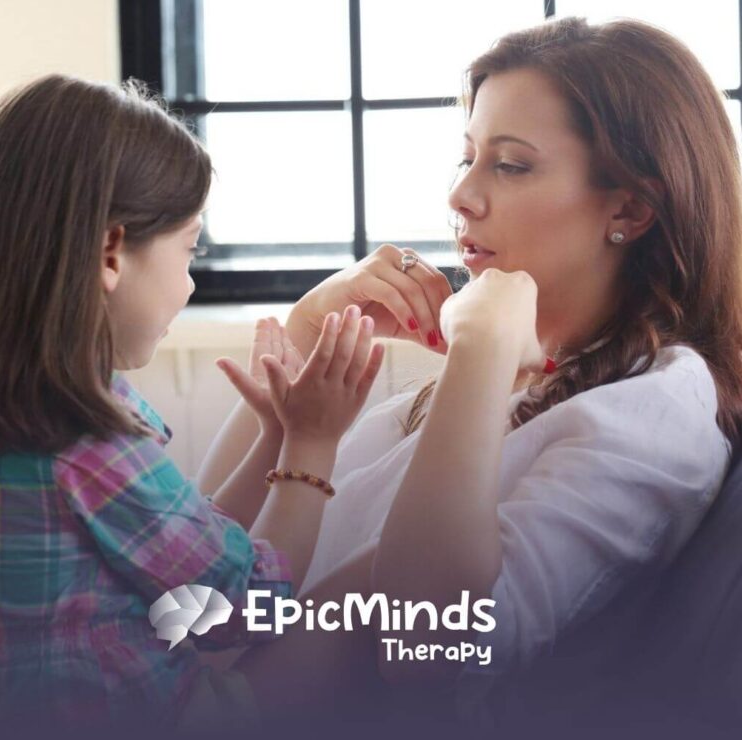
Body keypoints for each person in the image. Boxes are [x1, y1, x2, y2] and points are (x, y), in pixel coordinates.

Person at [199, 16, 742, 732]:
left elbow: (428, 643)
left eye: (510, 165)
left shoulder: (663, 403)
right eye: (468, 156)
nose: (461, 196)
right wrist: (306, 332)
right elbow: (194, 562)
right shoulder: (522, 366)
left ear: (631, 208)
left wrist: (479, 354)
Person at [0, 74, 384, 736]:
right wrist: (315, 443)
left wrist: (275, 432)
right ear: (109, 253)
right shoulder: (83, 437)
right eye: (189, 250)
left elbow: (193, 548)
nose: (188, 283)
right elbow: (247, 606)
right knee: (371, 586)